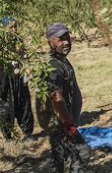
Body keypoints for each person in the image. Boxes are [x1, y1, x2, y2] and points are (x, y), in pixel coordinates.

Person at [36, 23, 90, 172]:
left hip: (63, 121)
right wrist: (69, 125)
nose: (66, 42)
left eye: (67, 37)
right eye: (61, 39)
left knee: (60, 158)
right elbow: (56, 99)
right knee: (82, 152)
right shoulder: (53, 67)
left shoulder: (61, 60)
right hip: (59, 123)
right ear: (50, 42)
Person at [0, 17, 35, 142]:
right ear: (3, 28)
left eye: (15, 26)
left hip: (19, 78)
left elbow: (25, 59)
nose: (14, 29)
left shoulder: (19, 41)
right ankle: (8, 138)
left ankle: (27, 133)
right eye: (11, 27)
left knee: (24, 105)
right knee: (4, 109)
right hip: (4, 80)